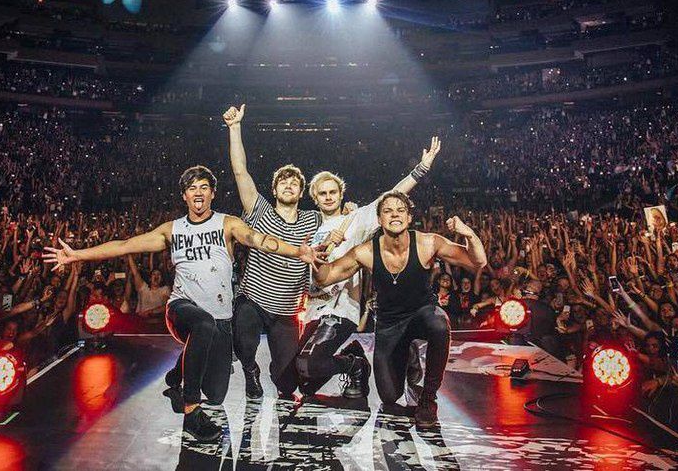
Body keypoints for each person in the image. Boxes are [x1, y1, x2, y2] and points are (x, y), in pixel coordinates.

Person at [43, 165, 321, 441]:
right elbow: (124, 245)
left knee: (216, 393)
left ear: (212, 193)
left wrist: (297, 252)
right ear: (184, 195)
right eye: (192, 188)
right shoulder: (172, 230)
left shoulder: (228, 224)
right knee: (203, 324)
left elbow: (258, 240)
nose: (198, 192)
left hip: (221, 319)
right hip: (182, 309)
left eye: (204, 187)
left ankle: (176, 377)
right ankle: (191, 411)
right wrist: (77, 254)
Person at [313, 191, 487, 427]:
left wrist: (469, 234)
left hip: (421, 314)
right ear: (379, 219)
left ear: (408, 217)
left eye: (400, 210)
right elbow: (326, 277)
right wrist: (319, 257)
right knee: (389, 396)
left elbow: (478, 261)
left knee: (439, 323)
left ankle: (428, 398)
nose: (394, 214)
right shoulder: (366, 252)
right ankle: (404, 355)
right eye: (387, 211)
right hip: (389, 324)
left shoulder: (428, 243)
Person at [299, 136, 442, 399]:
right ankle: (352, 356)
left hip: (339, 309)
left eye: (333, 192)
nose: (328, 197)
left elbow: (391, 198)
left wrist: (421, 169)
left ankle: (356, 365)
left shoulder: (355, 219)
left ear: (341, 194)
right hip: (312, 310)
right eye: (322, 193)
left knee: (310, 365)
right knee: (305, 380)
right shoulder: (311, 226)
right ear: (315, 198)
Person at [222, 104, 323, 400]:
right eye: (283, 182)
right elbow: (240, 170)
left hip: (287, 311)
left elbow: (343, 220)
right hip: (253, 301)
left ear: (301, 192)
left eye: (295, 183)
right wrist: (235, 128)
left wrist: (349, 209)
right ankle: (249, 367)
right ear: (274, 190)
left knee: (287, 385)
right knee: (243, 339)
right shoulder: (260, 210)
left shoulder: (313, 219)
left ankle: (276, 374)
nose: (289, 185)